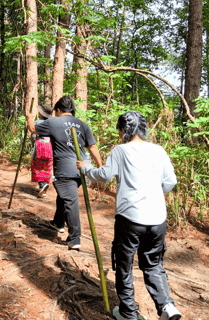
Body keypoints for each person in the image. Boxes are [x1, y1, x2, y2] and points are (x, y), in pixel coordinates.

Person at [76, 112, 181, 320]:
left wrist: (86, 168)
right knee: (153, 264)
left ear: (124, 130)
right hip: (157, 218)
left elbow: (104, 176)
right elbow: (170, 182)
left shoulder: (121, 151)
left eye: (120, 130)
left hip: (130, 218)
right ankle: (167, 307)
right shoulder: (158, 150)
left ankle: (128, 313)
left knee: (124, 265)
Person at [26, 96, 102, 250]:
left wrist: (29, 118)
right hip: (82, 168)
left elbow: (33, 129)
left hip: (66, 169)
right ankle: (58, 222)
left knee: (70, 202)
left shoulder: (54, 122)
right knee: (65, 196)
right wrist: (100, 167)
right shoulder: (82, 124)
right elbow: (92, 147)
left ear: (58, 109)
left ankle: (75, 238)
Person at [30, 104, 53, 198]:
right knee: (47, 167)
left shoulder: (37, 123)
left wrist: (33, 144)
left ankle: (42, 185)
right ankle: (44, 184)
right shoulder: (52, 123)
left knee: (37, 166)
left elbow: (33, 135)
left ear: (41, 113)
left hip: (39, 147)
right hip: (49, 148)